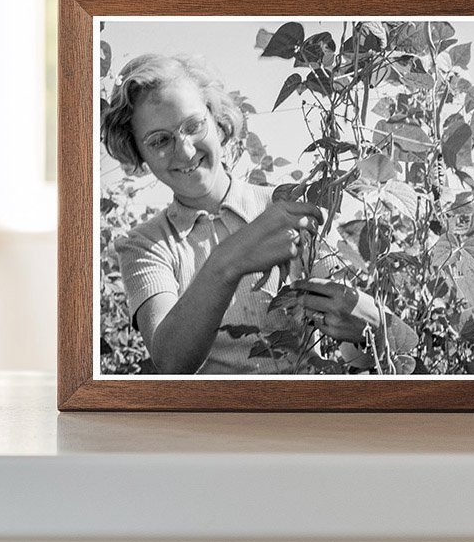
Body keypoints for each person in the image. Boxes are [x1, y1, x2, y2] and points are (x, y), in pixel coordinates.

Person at [101, 53, 394, 375]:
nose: (184, 151)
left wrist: (374, 330)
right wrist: (229, 262)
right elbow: (171, 362)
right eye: (159, 140)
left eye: (193, 126)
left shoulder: (288, 208)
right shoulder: (144, 245)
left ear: (217, 121)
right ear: (138, 153)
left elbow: (358, 353)